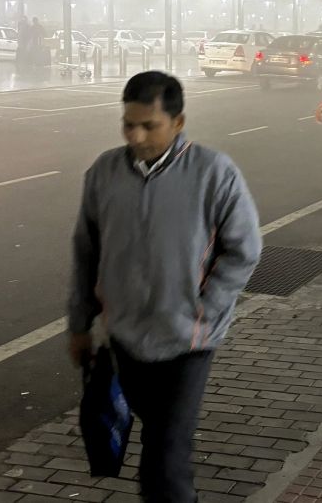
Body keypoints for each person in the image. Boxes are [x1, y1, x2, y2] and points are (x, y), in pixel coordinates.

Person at [68, 71, 261, 502]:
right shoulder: (104, 173)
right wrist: (79, 323)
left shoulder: (214, 173)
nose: (135, 136)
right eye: (128, 124)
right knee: (141, 439)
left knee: (164, 457)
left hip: (188, 343)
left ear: (177, 121)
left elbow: (243, 249)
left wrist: (204, 310)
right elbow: (86, 252)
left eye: (148, 125)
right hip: (126, 339)